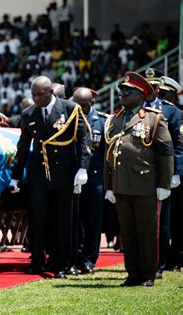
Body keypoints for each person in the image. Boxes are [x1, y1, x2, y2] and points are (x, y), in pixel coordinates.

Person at [10, 76, 91, 279]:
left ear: (50, 92)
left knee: (63, 220)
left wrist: (83, 168)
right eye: (33, 95)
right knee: (37, 218)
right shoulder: (29, 114)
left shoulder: (70, 109)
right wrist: (15, 176)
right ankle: (37, 261)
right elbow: (23, 146)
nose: (36, 98)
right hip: (39, 172)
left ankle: (62, 264)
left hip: (64, 172)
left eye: (40, 94)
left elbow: (83, 139)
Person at [104, 71, 173, 287]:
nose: (123, 94)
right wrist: (109, 186)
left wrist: (164, 184)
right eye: (122, 91)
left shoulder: (153, 118)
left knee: (147, 231)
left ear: (141, 95)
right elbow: (108, 154)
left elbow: (166, 152)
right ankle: (132, 273)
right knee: (128, 232)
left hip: (145, 184)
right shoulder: (115, 118)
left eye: (128, 91)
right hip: (121, 185)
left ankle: (147, 275)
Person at [138, 68, 183, 279]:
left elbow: (179, 145)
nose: (150, 90)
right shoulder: (133, 108)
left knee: (161, 221)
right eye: (146, 87)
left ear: (157, 88)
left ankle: (158, 264)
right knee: (138, 219)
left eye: (153, 87)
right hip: (138, 172)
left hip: (162, 173)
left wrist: (176, 173)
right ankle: (139, 261)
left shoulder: (171, 111)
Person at [73, 87, 107, 274]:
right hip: (74, 178)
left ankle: (89, 260)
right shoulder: (69, 118)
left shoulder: (102, 121)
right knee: (75, 221)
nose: (80, 109)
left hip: (95, 179)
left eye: (84, 106)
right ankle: (75, 256)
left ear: (91, 103)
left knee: (93, 222)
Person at [159, 76, 183, 272]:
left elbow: (178, 146)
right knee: (171, 218)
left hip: (175, 173)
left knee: (175, 218)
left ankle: (174, 257)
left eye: (166, 95)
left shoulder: (176, 114)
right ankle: (170, 258)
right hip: (170, 173)